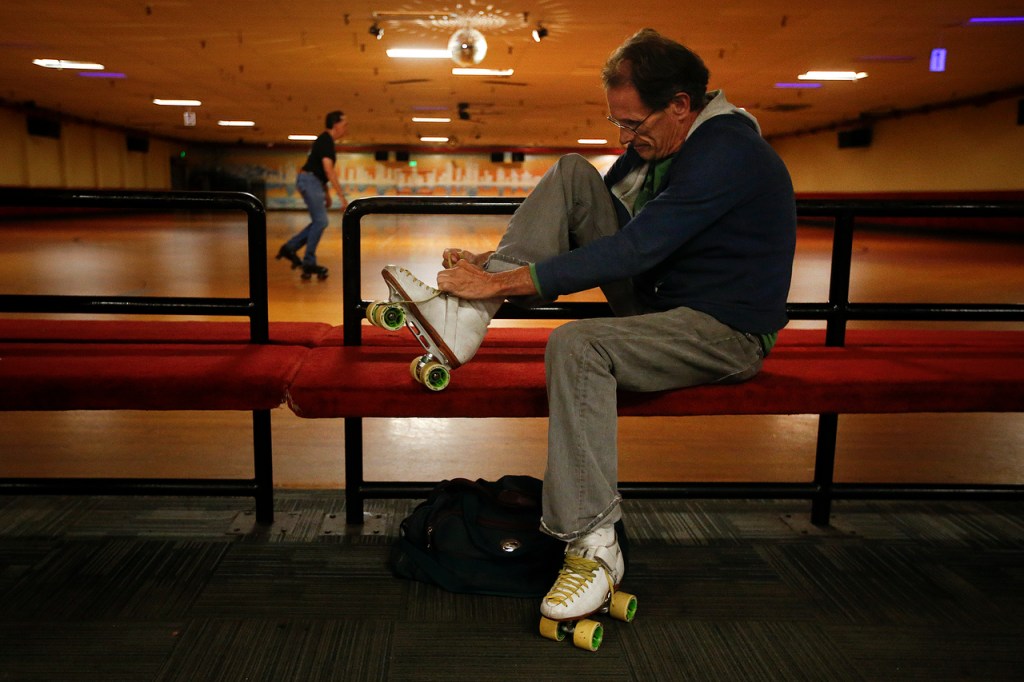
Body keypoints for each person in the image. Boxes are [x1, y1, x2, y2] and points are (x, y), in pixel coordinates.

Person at [382, 28, 796, 622]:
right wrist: (491, 267)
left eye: (633, 124)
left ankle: (593, 545)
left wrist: (503, 282)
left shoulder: (728, 151)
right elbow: (589, 221)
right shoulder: (668, 144)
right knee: (575, 174)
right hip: (662, 305)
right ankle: (466, 319)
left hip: (723, 330)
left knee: (578, 345)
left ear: (681, 105)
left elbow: (632, 252)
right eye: (618, 123)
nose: (624, 138)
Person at [277, 110, 349, 280]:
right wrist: (341, 196)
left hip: (312, 181)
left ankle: (290, 248)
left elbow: (320, 171)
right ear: (336, 124)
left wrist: (327, 194)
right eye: (345, 125)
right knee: (321, 221)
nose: (346, 128)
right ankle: (308, 260)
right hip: (310, 180)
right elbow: (327, 169)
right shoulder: (326, 140)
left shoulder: (325, 140)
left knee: (319, 221)